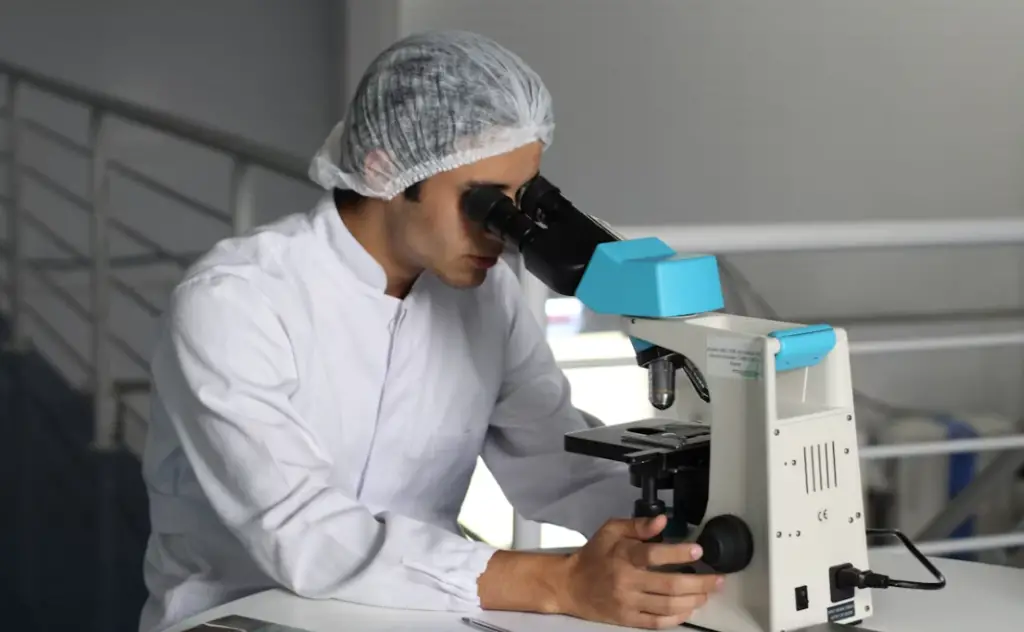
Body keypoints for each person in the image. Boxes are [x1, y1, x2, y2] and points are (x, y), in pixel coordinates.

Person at [138, 30, 722, 632]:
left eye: (522, 201)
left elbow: (558, 463)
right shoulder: (237, 302)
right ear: (386, 169)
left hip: (421, 612)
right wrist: (558, 583)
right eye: (486, 204)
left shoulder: (487, 299)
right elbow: (303, 533)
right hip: (242, 616)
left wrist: (692, 528)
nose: (503, 230)